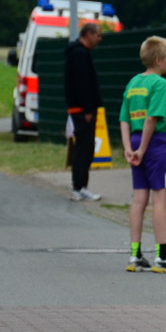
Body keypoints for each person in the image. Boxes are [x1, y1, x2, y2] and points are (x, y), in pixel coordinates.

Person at [119, 36, 166, 273]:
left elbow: (124, 119)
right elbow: (152, 118)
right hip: (156, 143)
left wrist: (129, 148)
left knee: (139, 199)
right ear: (158, 60)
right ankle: (162, 256)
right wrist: (143, 149)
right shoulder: (160, 84)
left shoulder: (133, 82)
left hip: (135, 141)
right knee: (160, 199)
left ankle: (135, 254)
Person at [64, 21, 104, 202]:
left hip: (81, 108)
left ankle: (82, 186)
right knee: (83, 148)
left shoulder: (81, 53)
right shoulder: (79, 54)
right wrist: (87, 109)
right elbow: (82, 84)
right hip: (82, 110)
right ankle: (78, 187)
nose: (100, 39)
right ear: (88, 34)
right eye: (98, 35)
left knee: (86, 148)